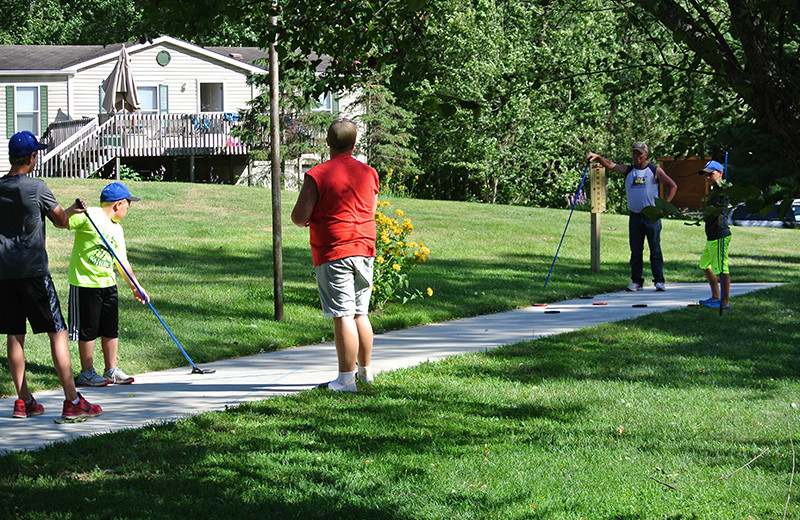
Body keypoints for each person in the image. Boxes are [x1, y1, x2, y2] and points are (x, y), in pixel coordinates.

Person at [0, 131, 102, 421]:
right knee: (56, 331)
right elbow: (60, 221)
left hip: (4, 272)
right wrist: (70, 210)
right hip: (33, 270)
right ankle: (72, 400)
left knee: (14, 334)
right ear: (32, 157)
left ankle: (24, 401)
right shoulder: (36, 187)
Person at [291, 118, 379, 392]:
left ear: (327, 143)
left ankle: (345, 380)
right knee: (360, 313)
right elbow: (371, 211)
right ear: (354, 144)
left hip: (334, 250)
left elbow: (298, 217)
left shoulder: (318, 174)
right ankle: (365, 372)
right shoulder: (369, 173)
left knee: (342, 315)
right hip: (364, 248)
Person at [69, 182, 149, 387]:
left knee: (110, 329)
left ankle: (110, 370)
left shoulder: (117, 229)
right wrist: (72, 209)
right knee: (88, 330)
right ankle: (86, 372)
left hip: (108, 284)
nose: (127, 211)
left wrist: (135, 286)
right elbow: (62, 222)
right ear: (118, 205)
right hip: (85, 283)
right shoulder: (90, 215)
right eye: (127, 207)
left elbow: (121, 261)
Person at [587, 142, 677, 291]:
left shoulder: (654, 170)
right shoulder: (628, 170)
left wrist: (663, 207)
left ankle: (659, 281)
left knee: (655, 250)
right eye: (635, 153)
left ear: (646, 155)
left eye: (640, 153)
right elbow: (611, 165)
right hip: (635, 216)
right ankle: (637, 281)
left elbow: (673, 186)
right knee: (636, 251)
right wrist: (598, 158)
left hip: (651, 217)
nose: (637, 156)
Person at [697, 160, 731, 309]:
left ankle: (724, 303)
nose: (708, 177)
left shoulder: (723, 190)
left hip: (719, 234)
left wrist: (724, 185)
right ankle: (715, 296)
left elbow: (729, 193)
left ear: (720, 173)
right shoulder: (713, 191)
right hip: (711, 236)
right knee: (705, 265)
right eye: (706, 175)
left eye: (711, 174)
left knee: (722, 269)